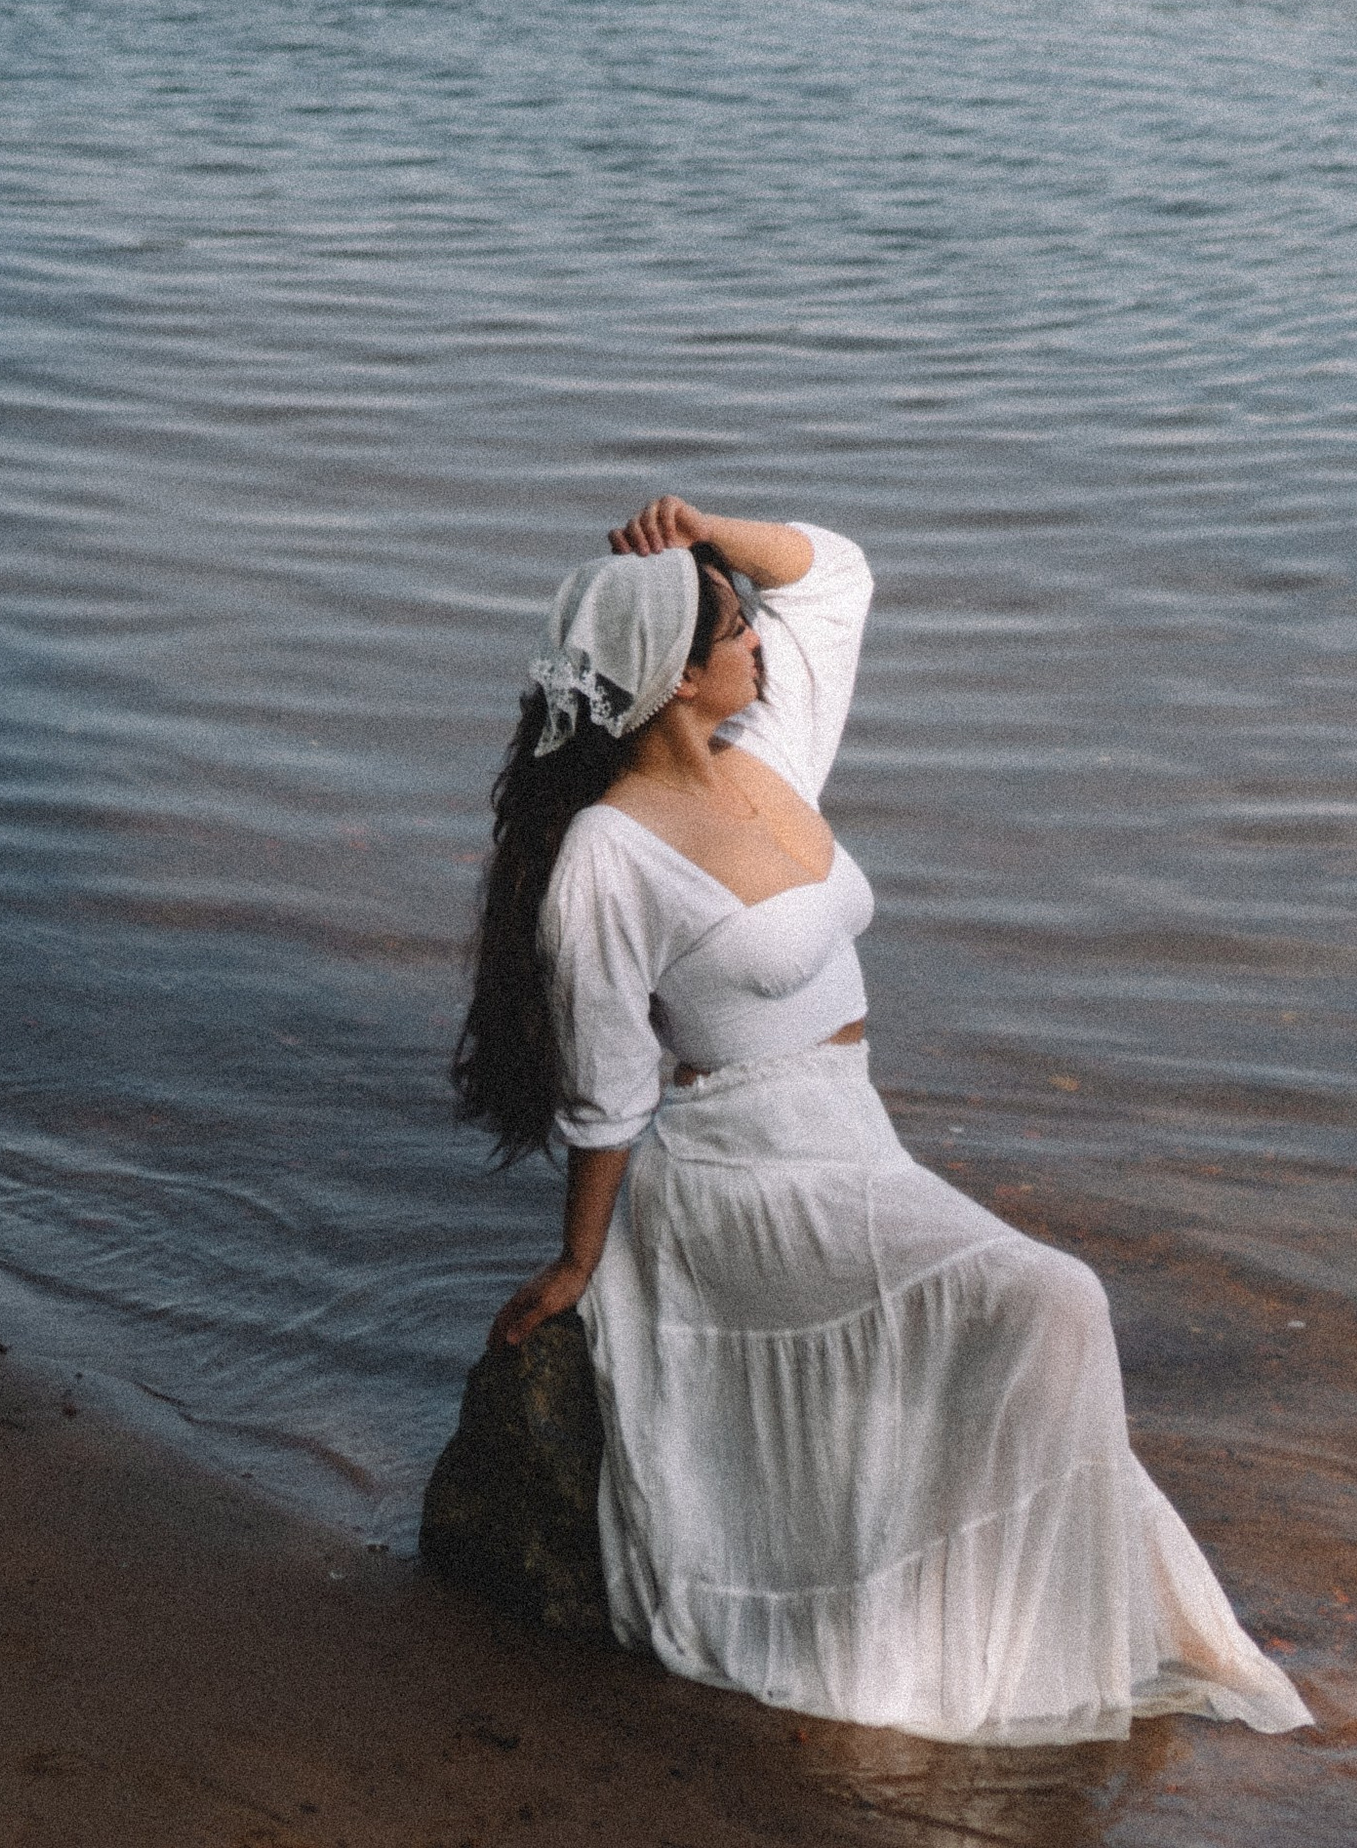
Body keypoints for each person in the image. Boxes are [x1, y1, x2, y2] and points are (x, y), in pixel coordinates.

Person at [451, 497, 1309, 1748]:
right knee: (1056, 1296)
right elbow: (608, 1088)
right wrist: (584, 1261)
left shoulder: (770, 753)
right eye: (732, 634)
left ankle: (997, 1602)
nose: (756, 647)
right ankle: (971, 1634)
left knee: (1031, 1314)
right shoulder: (605, 856)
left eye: (744, 627)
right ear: (676, 679)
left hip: (851, 1134)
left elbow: (839, 575)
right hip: (743, 1176)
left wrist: (705, 534)